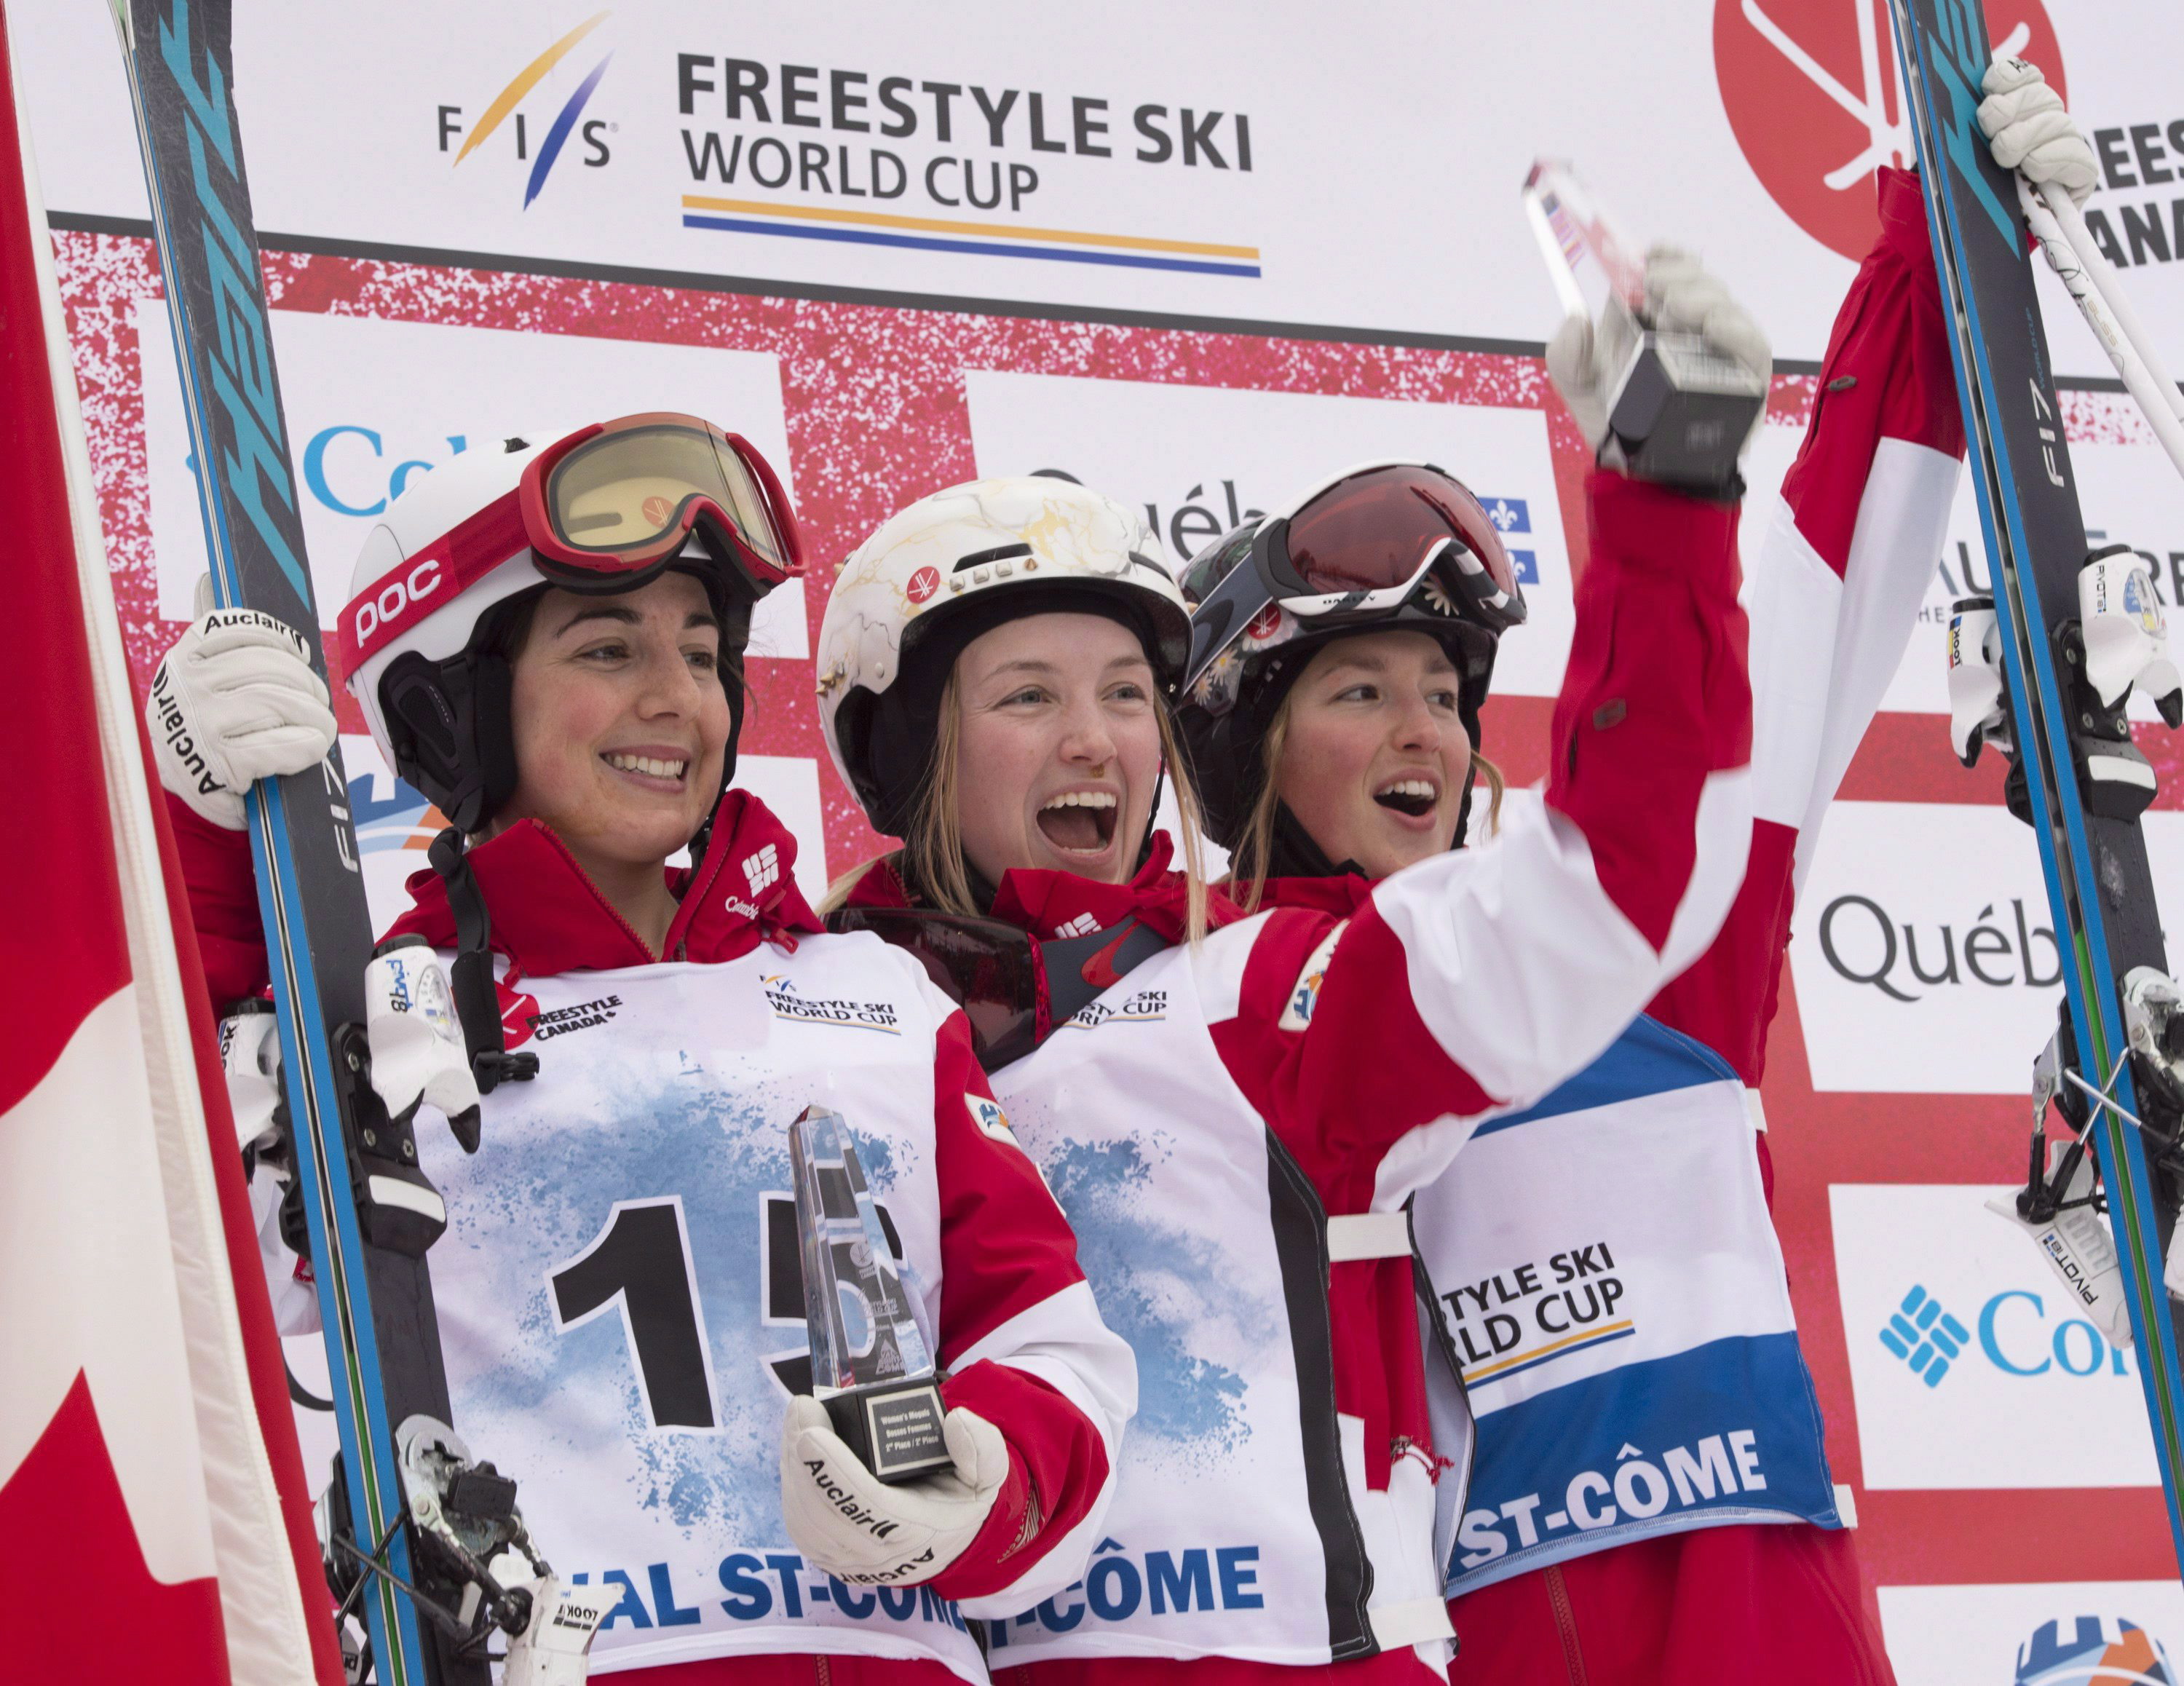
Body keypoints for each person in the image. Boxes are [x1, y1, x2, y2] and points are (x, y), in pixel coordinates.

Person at [1175, 60, 2094, 1686]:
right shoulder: (1214, 1039)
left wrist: (1946, 242)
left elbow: (1830, 560)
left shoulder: (1659, 929)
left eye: (1448, 695)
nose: (1427, 733)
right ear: (1250, 744)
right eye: (1359, 689)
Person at [812, 233, 1764, 1678]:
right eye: (1028, 694)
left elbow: (1611, 884)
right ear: (909, 751)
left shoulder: (1256, 984)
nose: (1096, 739)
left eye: (1130, 693)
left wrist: (1670, 504)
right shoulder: (826, 1020)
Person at [149, 414, 1135, 1685]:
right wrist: (203, 832)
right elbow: (165, 1188)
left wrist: (984, 1479)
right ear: (449, 707)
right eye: (609, 649)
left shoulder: (877, 999)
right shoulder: (373, 1019)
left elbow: (1046, 1343)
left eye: (705, 653)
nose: (677, 701)